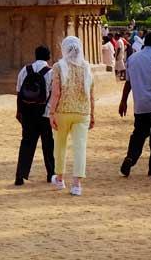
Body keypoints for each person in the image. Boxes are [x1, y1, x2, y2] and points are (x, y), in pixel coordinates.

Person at [119, 32, 151, 178]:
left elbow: (128, 83)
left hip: (140, 105)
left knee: (138, 134)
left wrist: (123, 101)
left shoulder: (133, 59)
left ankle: (131, 157)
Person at [48, 36, 96, 196]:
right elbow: (91, 93)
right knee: (80, 147)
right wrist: (93, 113)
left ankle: (60, 178)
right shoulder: (87, 67)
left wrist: (51, 112)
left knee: (60, 145)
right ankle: (77, 184)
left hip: (62, 111)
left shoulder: (59, 66)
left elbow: (56, 92)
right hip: (83, 112)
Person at [13, 45, 55, 185]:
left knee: (26, 143)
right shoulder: (51, 72)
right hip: (45, 113)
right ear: (48, 57)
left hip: (28, 112)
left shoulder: (25, 70)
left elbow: (19, 92)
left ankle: (20, 175)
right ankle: (50, 173)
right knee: (47, 144)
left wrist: (19, 111)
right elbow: (54, 94)